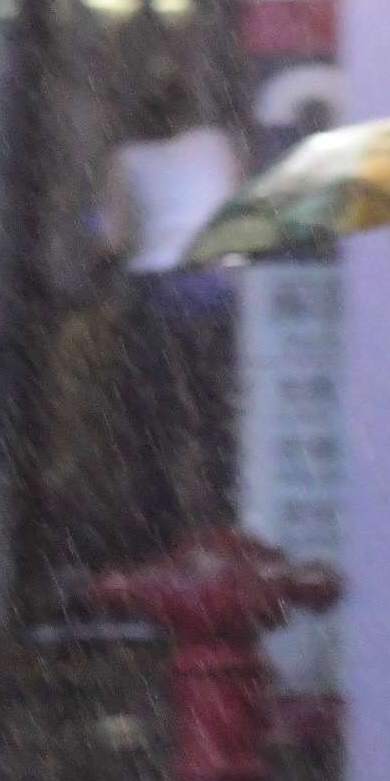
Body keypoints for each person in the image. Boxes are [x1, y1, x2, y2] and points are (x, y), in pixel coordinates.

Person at [98, 81, 245, 557]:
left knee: (155, 421)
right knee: (216, 410)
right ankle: (225, 515)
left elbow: (113, 240)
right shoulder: (215, 145)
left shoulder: (127, 159)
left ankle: (160, 534)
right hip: (216, 288)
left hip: (157, 293)